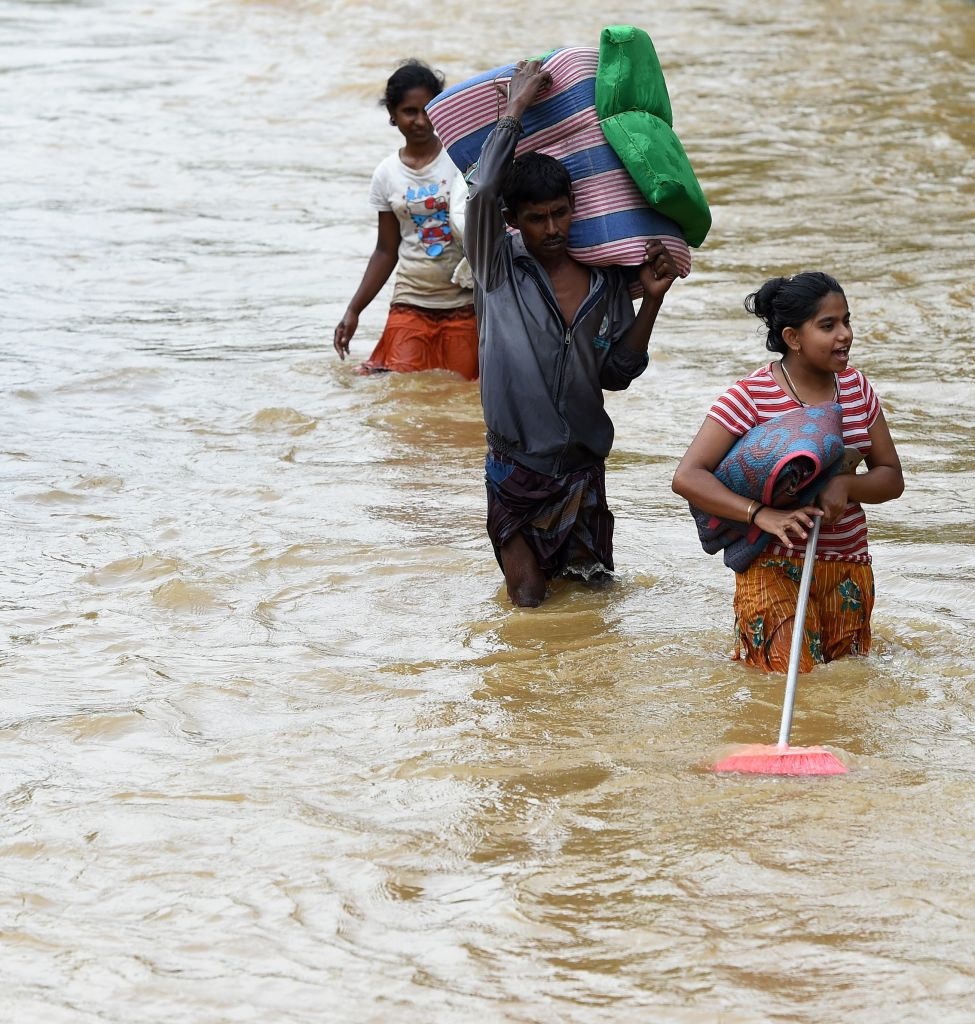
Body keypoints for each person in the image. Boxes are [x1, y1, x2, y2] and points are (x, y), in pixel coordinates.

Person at [464, 59, 680, 607]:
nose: (553, 229)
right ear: (514, 220)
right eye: (537, 218)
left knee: (593, 598)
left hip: (582, 464)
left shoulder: (604, 279)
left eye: (561, 213)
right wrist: (514, 106)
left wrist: (651, 302)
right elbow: (482, 190)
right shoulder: (496, 267)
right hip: (515, 465)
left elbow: (616, 375)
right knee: (529, 601)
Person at [672, 271, 904, 673]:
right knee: (785, 679)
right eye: (828, 326)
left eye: (846, 321)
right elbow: (688, 476)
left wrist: (847, 485)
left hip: (846, 564)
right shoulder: (750, 396)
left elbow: (891, 476)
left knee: (839, 691)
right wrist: (760, 514)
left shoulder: (857, 390)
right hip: (770, 563)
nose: (844, 335)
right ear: (793, 338)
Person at [332, 60, 479, 380]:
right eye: (410, 111)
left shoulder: (461, 160)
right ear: (392, 115)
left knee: (462, 391)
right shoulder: (386, 174)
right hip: (410, 300)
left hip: (465, 303)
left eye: (428, 109)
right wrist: (354, 309)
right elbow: (386, 250)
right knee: (401, 390)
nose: (420, 120)